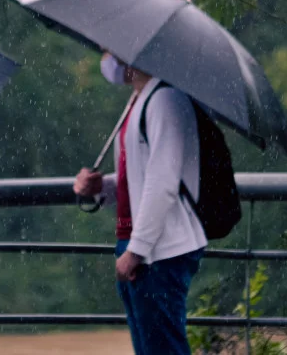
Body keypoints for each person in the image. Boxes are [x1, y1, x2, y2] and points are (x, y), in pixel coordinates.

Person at [74, 52, 207, 355]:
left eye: (111, 49)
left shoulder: (164, 100)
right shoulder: (139, 100)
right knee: (150, 347)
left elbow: (162, 182)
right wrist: (98, 188)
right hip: (142, 248)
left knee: (162, 348)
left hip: (157, 253)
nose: (106, 57)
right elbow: (138, 178)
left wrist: (137, 251)